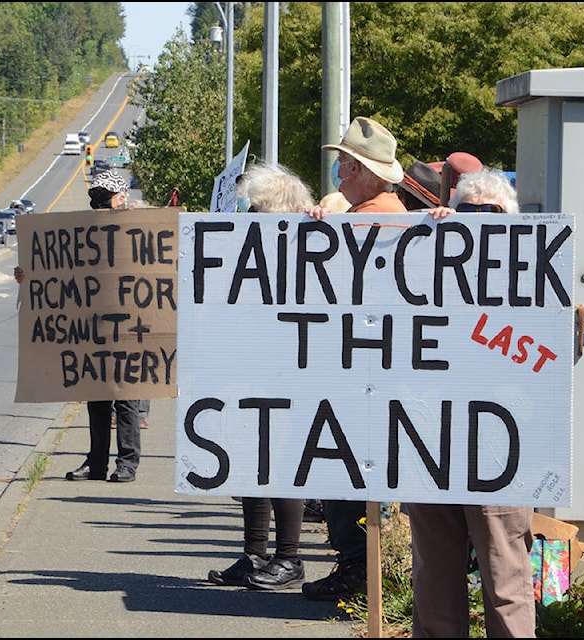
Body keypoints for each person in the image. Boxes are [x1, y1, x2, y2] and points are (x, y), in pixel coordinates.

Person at [409, 168, 537, 638]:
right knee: (434, 583)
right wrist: (427, 233)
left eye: (491, 215)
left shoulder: (534, 275)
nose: (477, 224)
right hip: (427, 437)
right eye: (468, 213)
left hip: (498, 446)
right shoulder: (425, 258)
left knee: (506, 579)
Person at [301, 115, 408, 602]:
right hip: (374, 369)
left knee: (349, 476)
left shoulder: (369, 222)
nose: (338, 177)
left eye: (344, 167)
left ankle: (357, 573)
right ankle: (363, 571)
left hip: (360, 374)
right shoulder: (386, 218)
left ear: (367, 172)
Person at [205, 162, 315, 591]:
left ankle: (290, 557)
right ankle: (255, 553)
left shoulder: (308, 248)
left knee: (284, 462)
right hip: (251, 368)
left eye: (257, 209)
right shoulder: (252, 250)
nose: (250, 217)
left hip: (290, 371)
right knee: (252, 461)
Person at [13, 170, 151, 484]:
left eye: (107, 199)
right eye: (97, 200)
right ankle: (97, 462)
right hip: (93, 329)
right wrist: (28, 274)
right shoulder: (82, 231)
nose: (101, 205)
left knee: (127, 400)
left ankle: (127, 464)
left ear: (120, 198)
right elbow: (58, 267)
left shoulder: (139, 227)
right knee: (97, 398)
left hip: (130, 329)